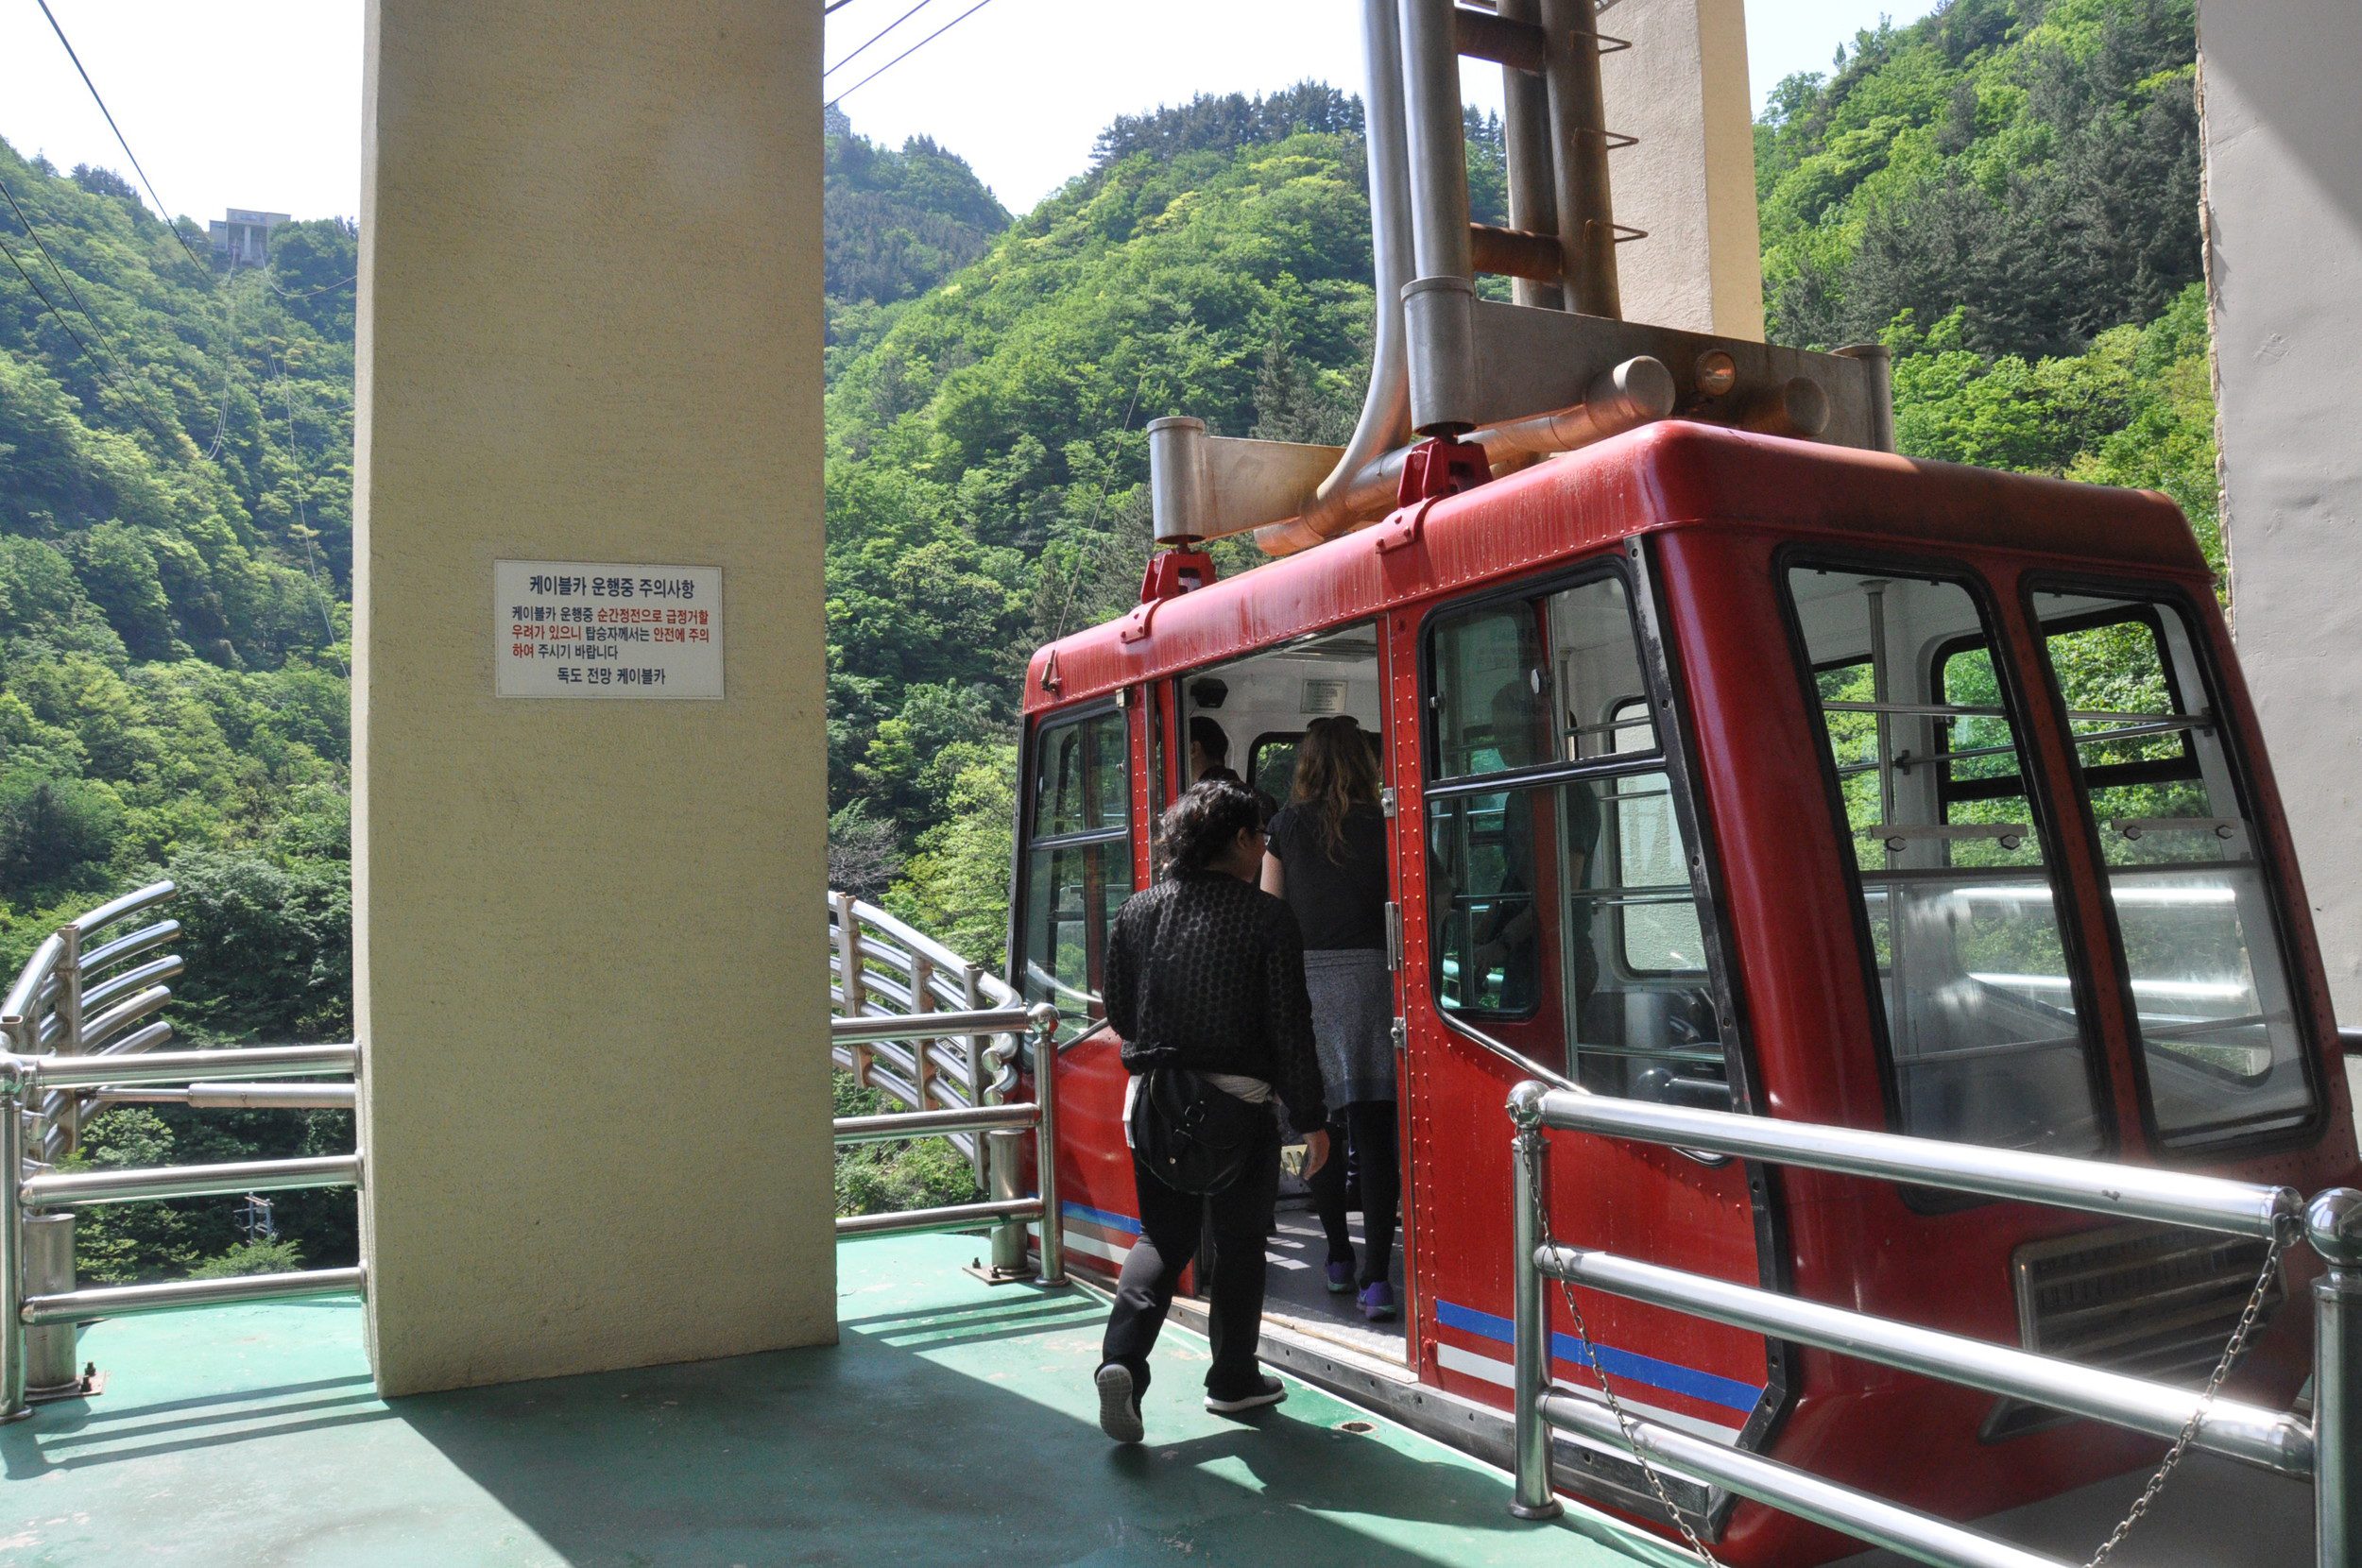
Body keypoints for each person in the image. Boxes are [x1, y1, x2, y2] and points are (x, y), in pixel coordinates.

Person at [1094, 778, 1332, 1444]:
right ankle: (1232, 1380)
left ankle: (1121, 1362)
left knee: (1161, 1239)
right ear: (1238, 840)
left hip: (1152, 1102)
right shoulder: (1265, 917)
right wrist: (1311, 1119)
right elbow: (1291, 1028)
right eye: (1259, 834)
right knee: (1239, 1242)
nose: (1263, 846)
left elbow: (1119, 1009)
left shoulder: (1138, 910)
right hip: (1238, 1108)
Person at [1261, 716, 1402, 1321]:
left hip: (1310, 986)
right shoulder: (1386, 823)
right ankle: (1378, 1279)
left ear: (1307, 766)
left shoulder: (1285, 826)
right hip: (1375, 982)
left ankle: (1338, 1259)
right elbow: (1431, 895)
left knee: (1313, 1128)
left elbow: (1269, 912)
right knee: (1375, 1137)